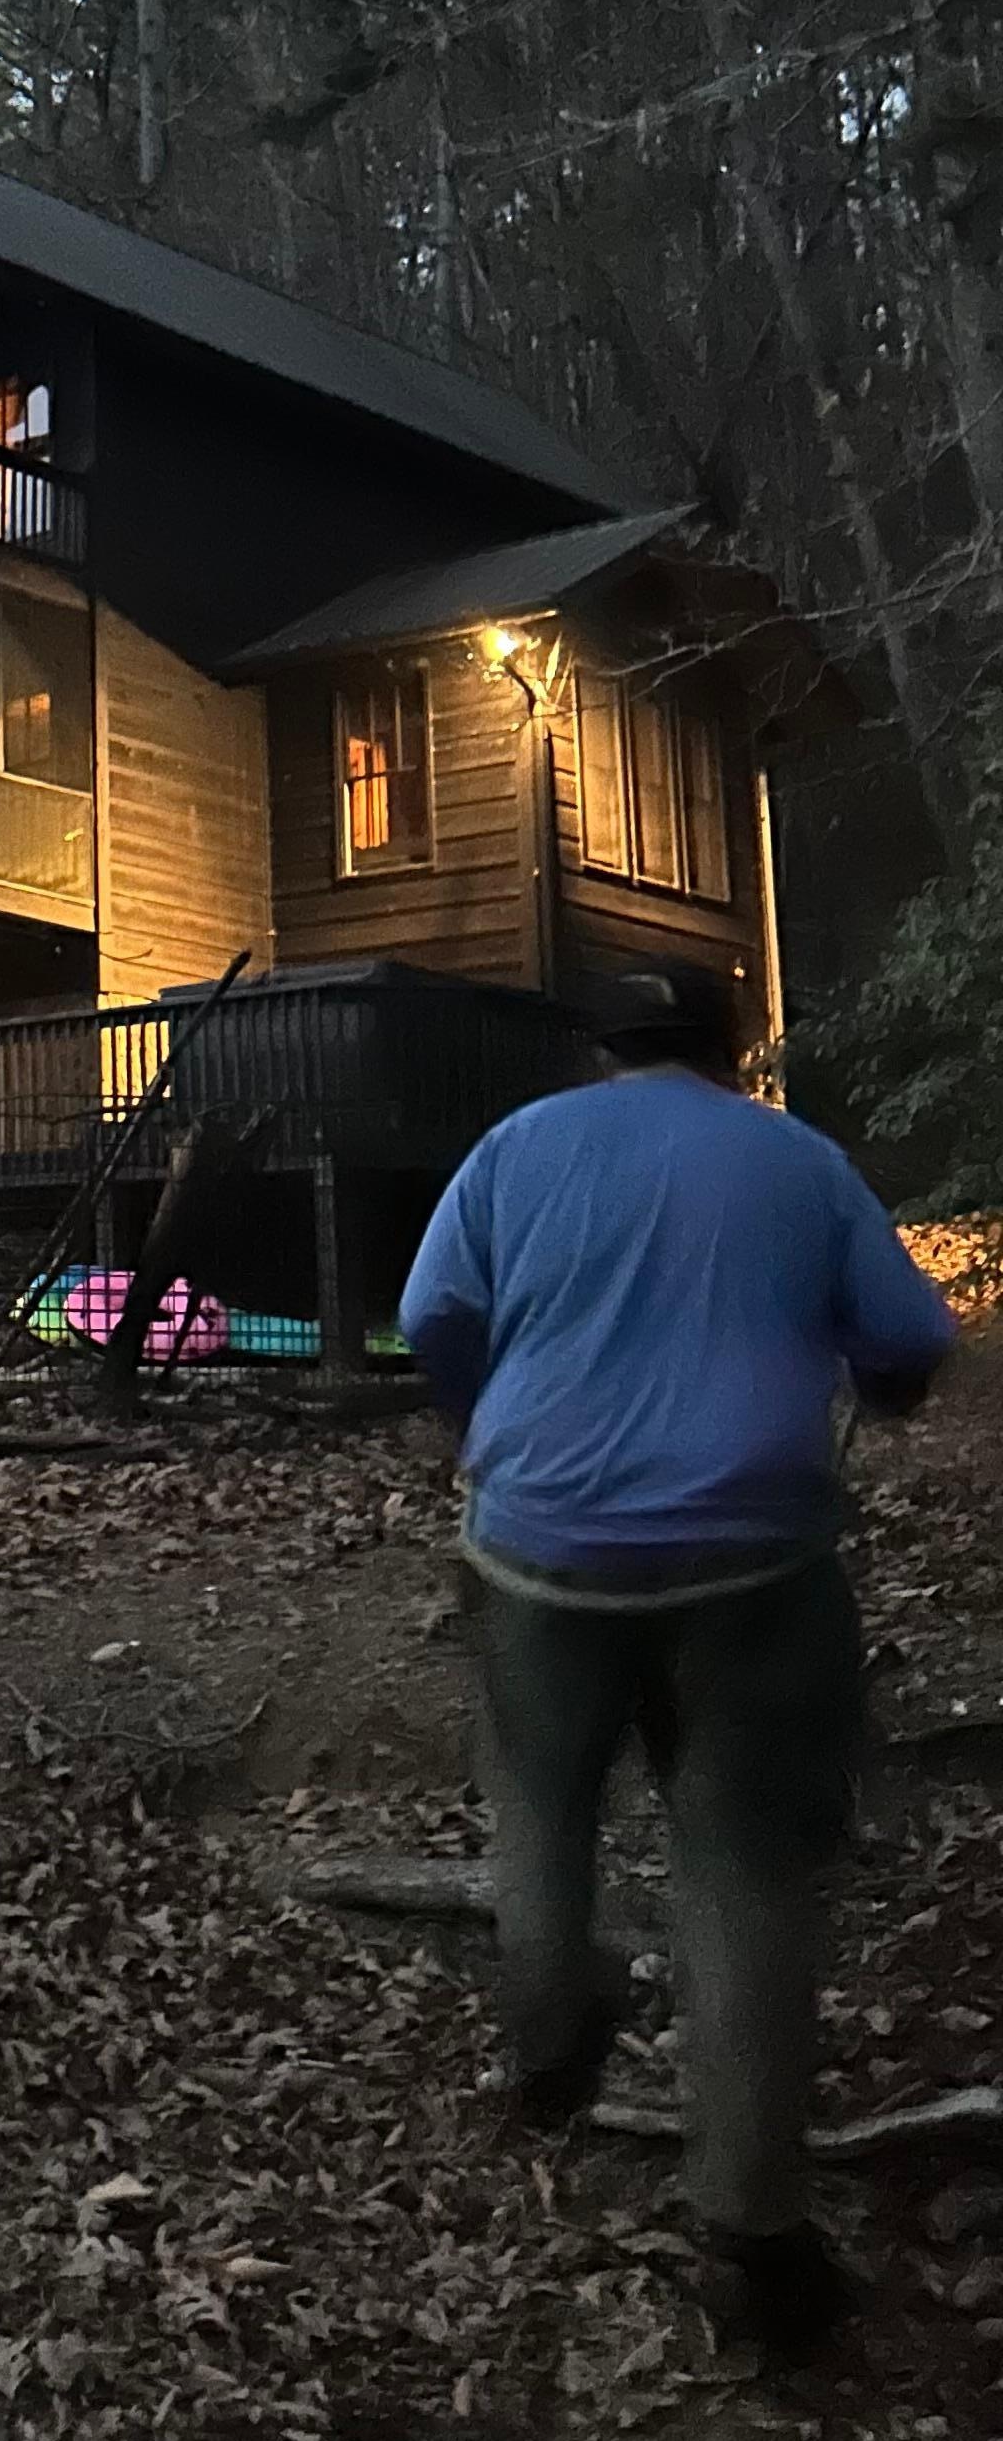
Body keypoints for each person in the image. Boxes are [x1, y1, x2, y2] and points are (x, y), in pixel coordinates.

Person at [400, 959, 954, 2359]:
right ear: (733, 1048)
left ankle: (545, 2054)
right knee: (745, 1873)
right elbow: (905, 1339)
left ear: (604, 1051)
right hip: (753, 1565)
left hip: (538, 1549)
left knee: (541, 1806)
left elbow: (430, 1318)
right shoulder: (796, 1158)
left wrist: (491, 1421)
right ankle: (755, 2235)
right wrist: (870, 1384)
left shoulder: (516, 1150)